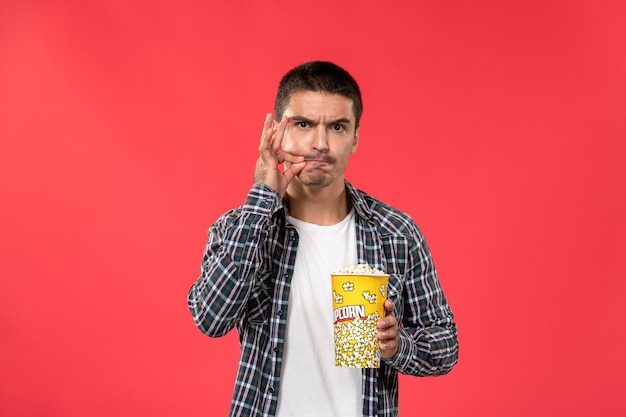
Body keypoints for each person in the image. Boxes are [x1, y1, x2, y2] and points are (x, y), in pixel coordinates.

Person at [187, 61, 458, 417]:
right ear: (277, 133)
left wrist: (397, 346)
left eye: (337, 127)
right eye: (303, 124)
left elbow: (444, 346)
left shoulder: (395, 233)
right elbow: (211, 317)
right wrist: (261, 199)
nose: (320, 143)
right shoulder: (239, 228)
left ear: (356, 137)